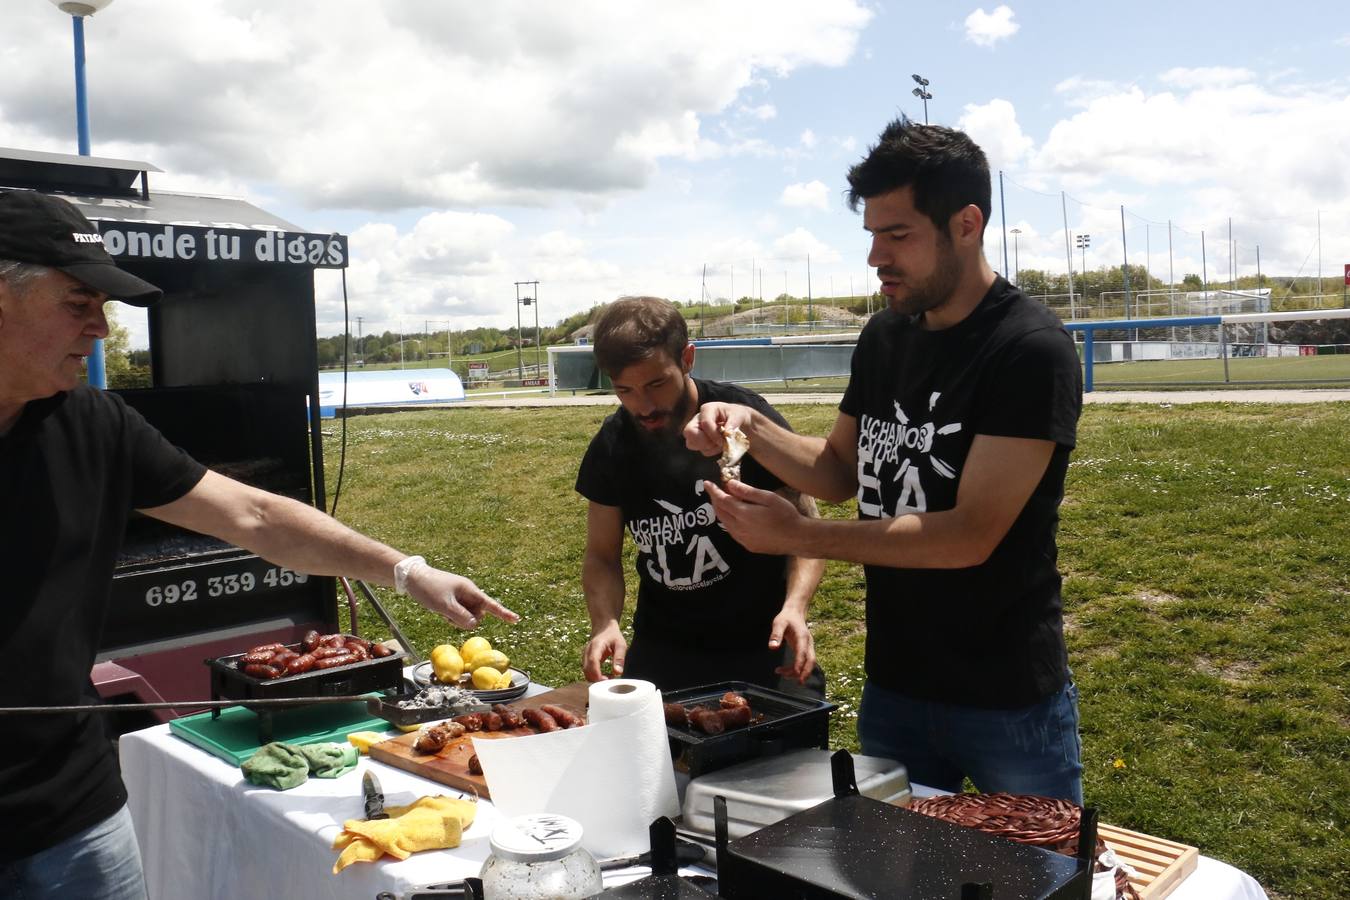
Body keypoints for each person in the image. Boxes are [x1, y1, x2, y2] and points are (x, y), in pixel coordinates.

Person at [0, 189, 519, 900]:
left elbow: (254, 516)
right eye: (77, 302)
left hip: (72, 812)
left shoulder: (94, 423)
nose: (99, 327)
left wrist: (404, 570)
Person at [684, 118, 1085, 802]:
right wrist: (753, 424)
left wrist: (802, 536)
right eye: (871, 234)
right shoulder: (886, 334)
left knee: (1038, 871)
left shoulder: (1029, 350)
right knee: (895, 870)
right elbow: (840, 470)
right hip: (896, 684)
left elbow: (969, 535)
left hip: (1007, 697)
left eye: (897, 235)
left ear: (966, 224)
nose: (876, 257)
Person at [574, 296, 826, 697]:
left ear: (687, 358)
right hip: (663, 649)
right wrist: (605, 623)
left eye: (657, 383)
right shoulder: (613, 445)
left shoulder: (742, 418)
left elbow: (806, 530)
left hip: (762, 644)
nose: (645, 406)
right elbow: (601, 555)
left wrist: (795, 606)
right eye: (625, 390)